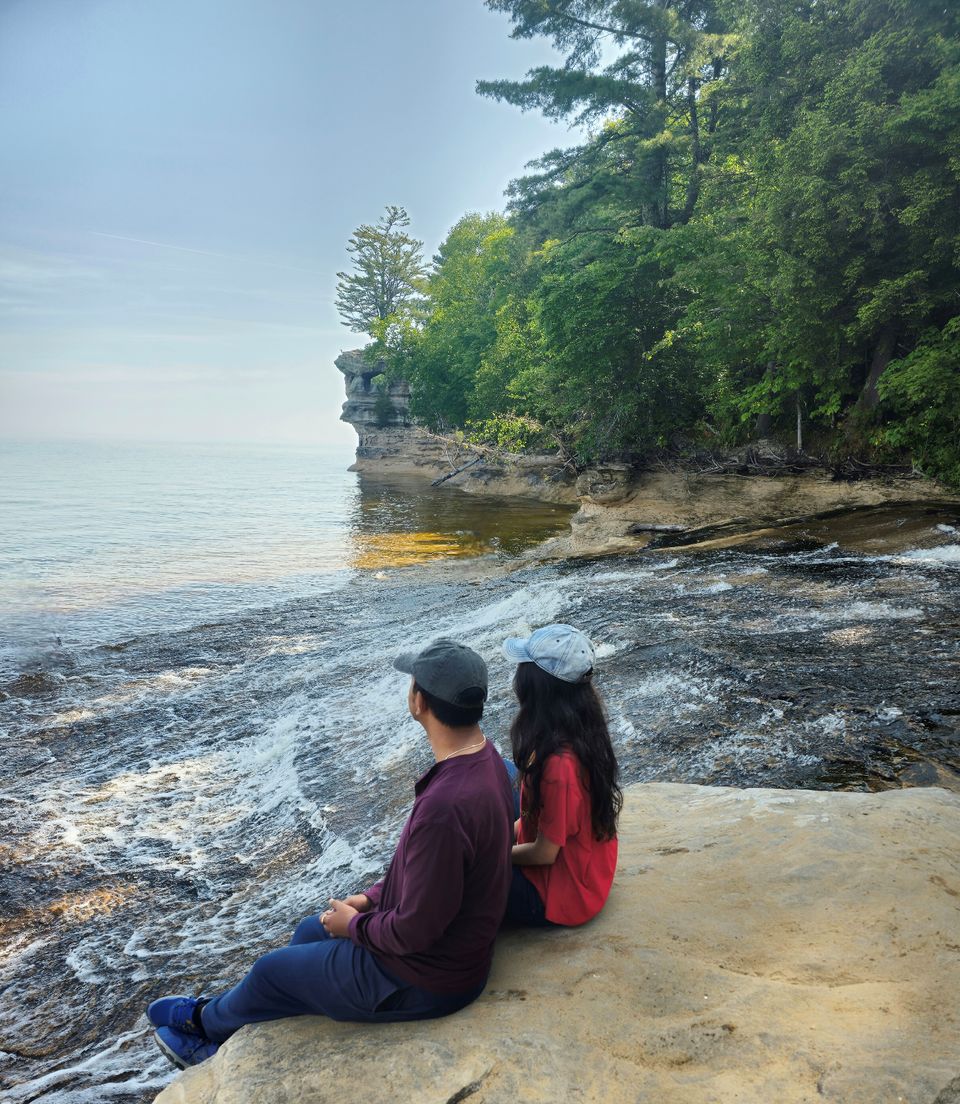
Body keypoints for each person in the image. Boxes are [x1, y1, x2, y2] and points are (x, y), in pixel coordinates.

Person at [147, 639, 514, 1069]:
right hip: (449, 956)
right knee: (308, 931)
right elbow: (433, 876)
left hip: (427, 979)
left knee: (271, 970)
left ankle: (204, 1031)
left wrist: (355, 925)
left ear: (419, 701)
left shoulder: (445, 806)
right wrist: (371, 899)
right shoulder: (488, 761)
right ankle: (233, 1012)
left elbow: (416, 930)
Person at [501, 624, 622, 927]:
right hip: (584, 861)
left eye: (522, 669)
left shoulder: (559, 767)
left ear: (536, 685)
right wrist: (504, 834)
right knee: (499, 771)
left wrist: (494, 855)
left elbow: (544, 853)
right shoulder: (579, 726)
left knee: (461, 879)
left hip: (562, 893)